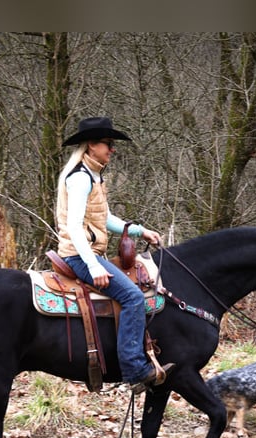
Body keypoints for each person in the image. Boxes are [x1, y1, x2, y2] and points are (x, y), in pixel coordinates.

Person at [56, 116, 175, 393]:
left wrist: (140, 231)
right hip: (79, 256)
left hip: (88, 253)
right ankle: (134, 369)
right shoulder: (80, 179)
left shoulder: (92, 176)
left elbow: (104, 218)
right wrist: (93, 266)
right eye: (108, 144)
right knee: (133, 298)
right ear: (91, 146)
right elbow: (74, 227)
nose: (112, 149)